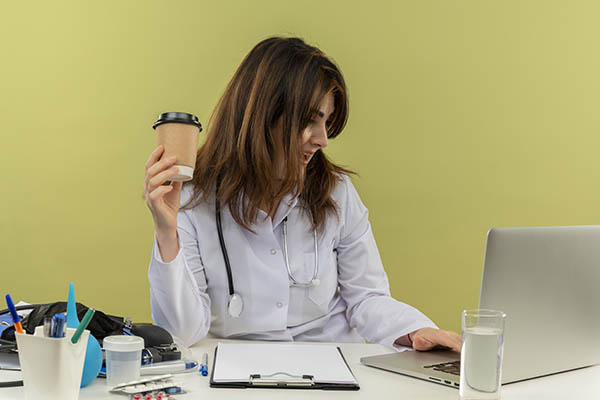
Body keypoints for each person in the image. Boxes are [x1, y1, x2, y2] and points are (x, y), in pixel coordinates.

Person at [144, 36, 461, 352]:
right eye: (310, 120)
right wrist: (166, 232)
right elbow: (182, 333)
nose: (323, 139)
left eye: (327, 121)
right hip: (240, 377)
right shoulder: (195, 198)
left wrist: (416, 331)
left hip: (333, 368)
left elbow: (367, 298)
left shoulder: (336, 192)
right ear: (263, 116)